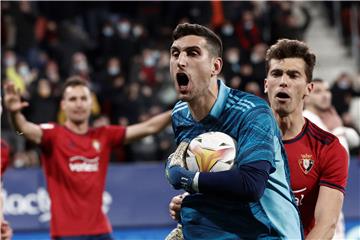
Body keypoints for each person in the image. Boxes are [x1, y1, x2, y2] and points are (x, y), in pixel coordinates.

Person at [169, 38, 349, 240]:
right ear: (266, 84)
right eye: (276, 74)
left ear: (309, 88)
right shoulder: (232, 137)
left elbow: (326, 225)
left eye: (293, 75)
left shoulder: (328, 148)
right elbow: (224, 191)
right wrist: (190, 202)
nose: (283, 81)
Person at [165, 23, 302, 239]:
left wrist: (187, 179)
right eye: (175, 54)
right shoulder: (180, 114)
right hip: (225, 229)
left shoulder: (252, 112)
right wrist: (189, 199)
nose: (180, 62)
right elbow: (206, 174)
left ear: (215, 67)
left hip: (270, 233)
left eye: (192, 53)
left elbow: (250, 185)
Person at [3, 76, 172, 239]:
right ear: (63, 105)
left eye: (83, 98)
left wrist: (181, 109)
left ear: (91, 103)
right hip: (66, 234)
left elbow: (149, 127)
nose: (79, 104)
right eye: (73, 99)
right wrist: (14, 115)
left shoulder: (104, 135)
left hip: (100, 231)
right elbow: (22, 130)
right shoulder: (53, 135)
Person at [303, 78, 359, 239]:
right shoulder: (307, 121)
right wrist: (338, 132)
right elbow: (341, 162)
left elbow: (354, 138)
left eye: (327, 90)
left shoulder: (328, 122)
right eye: (318, 91)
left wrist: (338, 128)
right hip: (316, 206)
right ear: (306, 96)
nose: (325, 95)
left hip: (330, 202)